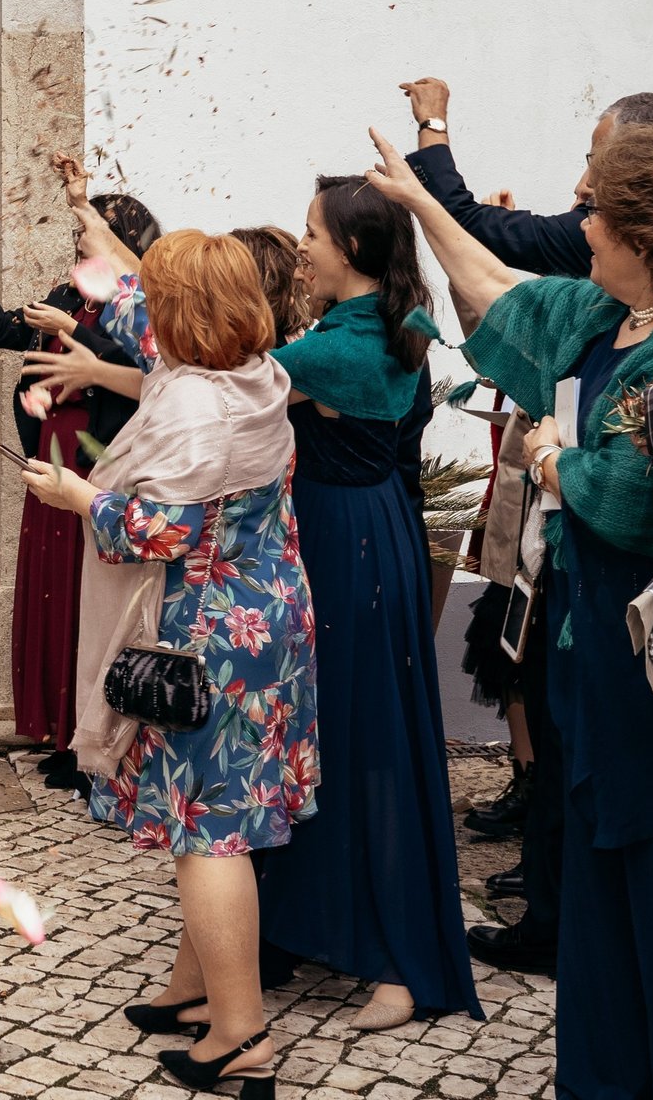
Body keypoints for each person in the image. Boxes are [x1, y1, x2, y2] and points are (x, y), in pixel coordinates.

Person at [369, 122, 653, 1098]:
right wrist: (426, 205)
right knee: (601, 893)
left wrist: (556, 458)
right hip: (592, 646)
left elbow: (630, 497)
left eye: (593, 203)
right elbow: (500, 296)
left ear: (643, 232)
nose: (577, 213)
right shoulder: (612, 315)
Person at [21, 229, 312, 1100]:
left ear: (188, 314)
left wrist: (83, 496)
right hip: (271, 621)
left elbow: (163, 530)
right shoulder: (252, 374)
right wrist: (86, 223)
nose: (146, 311)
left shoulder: (198, 410)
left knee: (209, 833)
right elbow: (130, 304)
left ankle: (242, 1035)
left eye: (162, 298)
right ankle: (196, 989)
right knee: (210, 816)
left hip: (213, 637)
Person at [226, 171, 479, 1029]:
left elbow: (219, 393)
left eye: (313, 233)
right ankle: (311, 923)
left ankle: (395, 957)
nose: (302, 245)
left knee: (353, 739)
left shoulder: (332, 351)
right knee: (344, 737)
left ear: (356, 250)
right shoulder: (398, 320)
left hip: (345, 549)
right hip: (382, 534)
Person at [0, 193, 150, 793]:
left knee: (88, 603)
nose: (77, 242)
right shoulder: (67, 294)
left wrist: (75, 332)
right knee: (52, 593)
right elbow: (6, 329)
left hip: (96, 463)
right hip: (50, 456)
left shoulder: (136, 307)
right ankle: (59, 733)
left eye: (87, 233)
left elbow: (146, 369)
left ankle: (91, 741)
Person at [398, 76, 653, 275]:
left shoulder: (617, 227)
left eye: (601, 160)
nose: (585, 185)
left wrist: (432, 122)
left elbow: (462, 219)